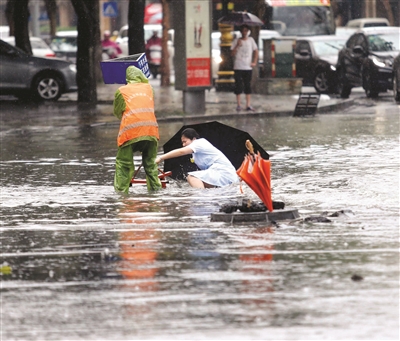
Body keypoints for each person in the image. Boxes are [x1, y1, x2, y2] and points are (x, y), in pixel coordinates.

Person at [113, 66, 162, 194]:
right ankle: (156, 191)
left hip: (130, 133)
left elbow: (117, 112)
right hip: (151, 132)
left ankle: (121, 195)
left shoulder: (121, 91)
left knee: (123, 164)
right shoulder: (149, 89)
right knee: (151, 165)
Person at [155, 128, 239, 189]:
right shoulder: (195, 153)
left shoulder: (199, 143)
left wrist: (161, 157)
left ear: (194, 139)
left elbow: (181, 152)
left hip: (224, 173)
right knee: (197, 179)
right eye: (182, 143)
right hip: (221, 173)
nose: (183, 145)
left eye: (185, 141)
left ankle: (200, 198)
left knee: (191, 177)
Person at [230, 24, 258, 112]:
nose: (244, 32)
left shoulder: (251, 40)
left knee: (247, 85)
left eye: (246, 30)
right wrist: (237, 45)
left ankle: (248, 105)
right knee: (238, 85)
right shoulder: (236, 40)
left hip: (247, 67)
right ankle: (238, 104)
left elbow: (256, 50)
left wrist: (254, 62)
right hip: (238, 66)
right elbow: (232, 54)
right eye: (243, 30)